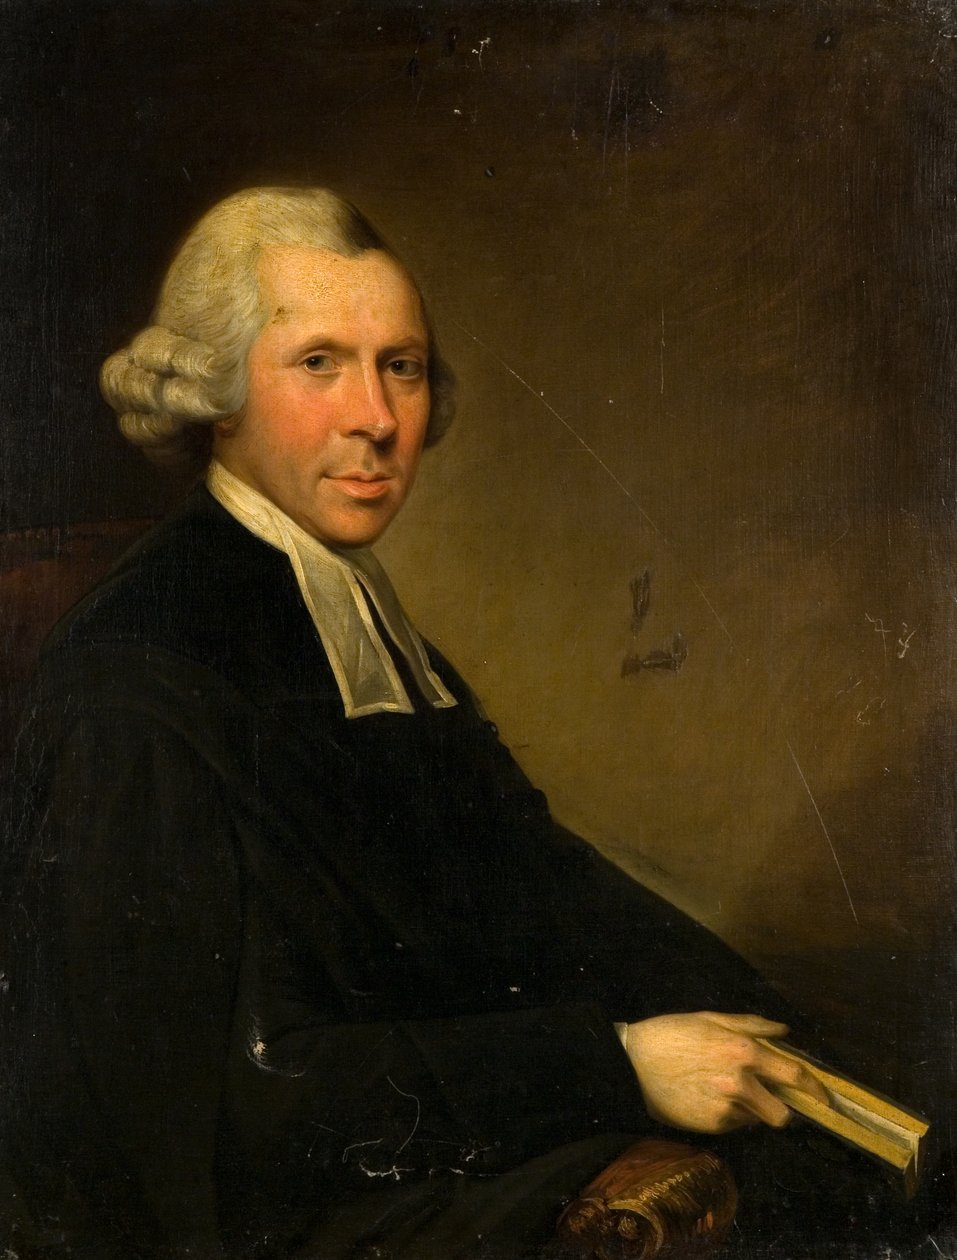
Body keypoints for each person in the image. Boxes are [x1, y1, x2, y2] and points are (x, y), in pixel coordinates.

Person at [0, 188, 910, 1259]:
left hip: (400, 1146)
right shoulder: (140, 668)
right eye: (319, 363)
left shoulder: (350, 612)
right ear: (216, 394)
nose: (377, 419)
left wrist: (798, 1052)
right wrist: (617, 1063)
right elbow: (207, 1105)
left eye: (402, 366)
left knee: (853, 1155)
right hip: (248, 1222)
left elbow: (542, 889)